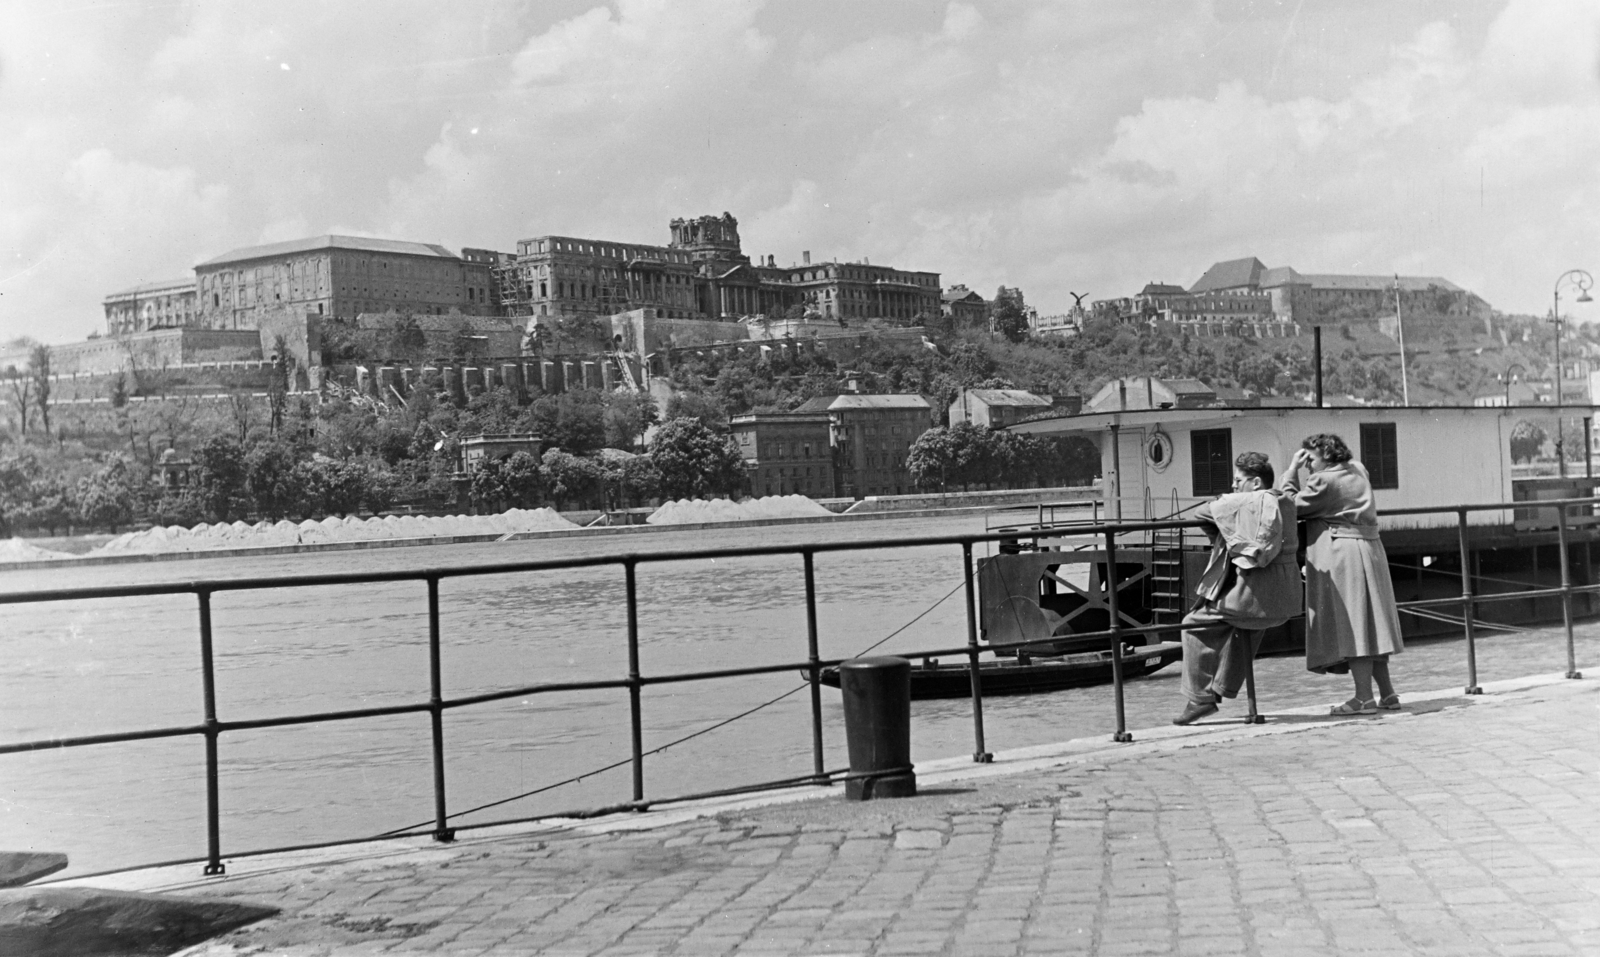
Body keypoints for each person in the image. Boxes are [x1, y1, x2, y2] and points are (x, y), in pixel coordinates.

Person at [1173, 452, 1302, 725]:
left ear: (1255, 483)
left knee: (1192, 624)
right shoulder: (1286, 501)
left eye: (1238, 480)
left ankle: (1200, 697)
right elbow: (1290, 487)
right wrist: (1292, 469)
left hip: (1256, 599)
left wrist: (1225, 529)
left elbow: (1202, 512)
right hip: (1287, 599)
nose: (1233, 486)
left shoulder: (1248, 501)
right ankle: (1223, 688)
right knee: (1245, 627)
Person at [1283, 432, 1404, 715]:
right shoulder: (1358, 468)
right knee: (1371, 624)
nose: (1308, 465)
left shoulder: (1323, 481)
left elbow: (1290, 507)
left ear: (1325, 454)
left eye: (1310, 459)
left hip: (1343, 556)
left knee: (1353, 627)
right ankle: (1387, 694)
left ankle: (1363, 698)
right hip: (1371, 550)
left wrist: (1290, 471)